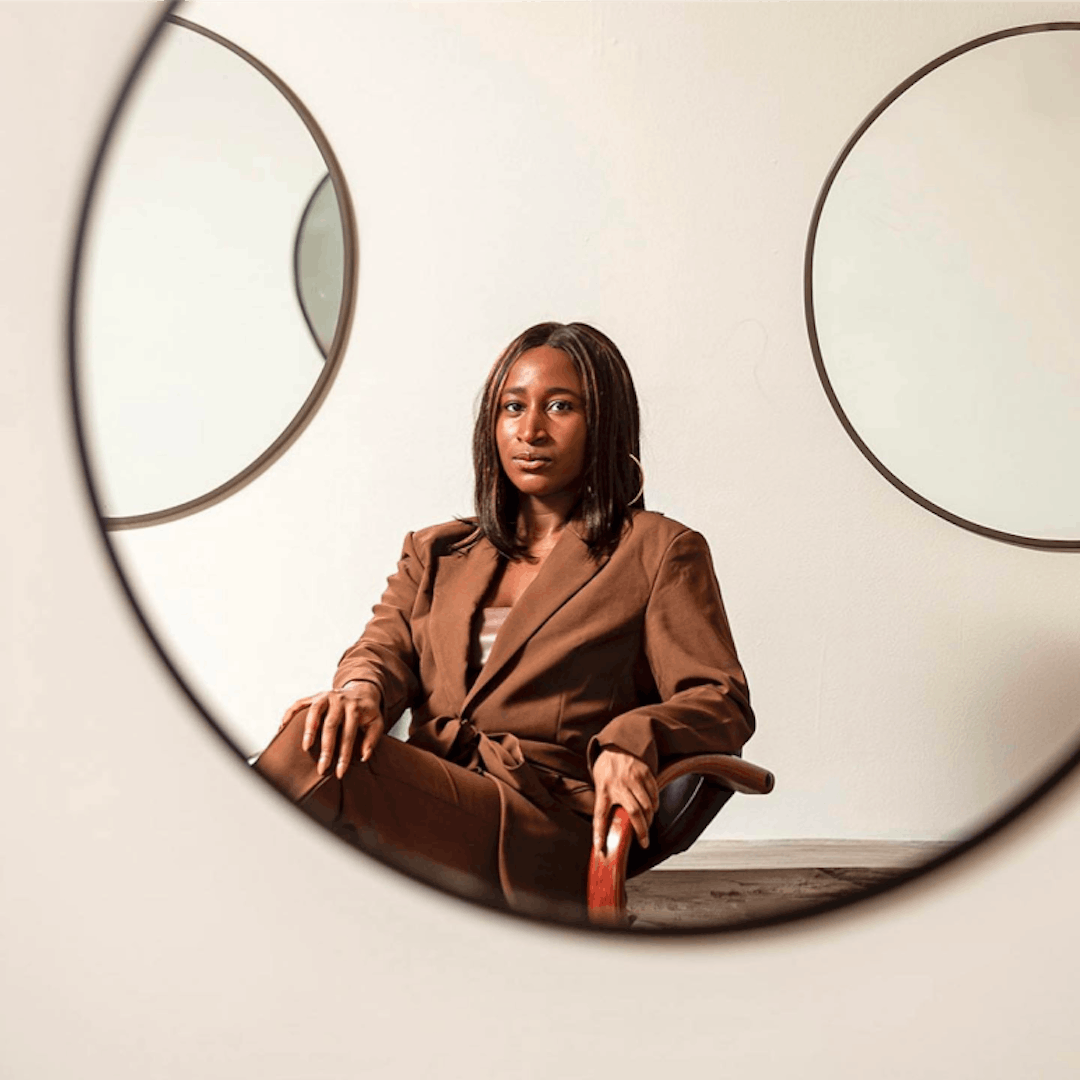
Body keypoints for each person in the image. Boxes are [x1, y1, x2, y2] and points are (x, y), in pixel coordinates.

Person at [254, 321, 754, 921]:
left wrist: (633, 740)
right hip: (432, 798)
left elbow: (720, 699)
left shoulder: (657, 551)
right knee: (321, 725)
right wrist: (358, 692)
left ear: (605, 423)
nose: (530, 430)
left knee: (309, 764)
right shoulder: (436, 552)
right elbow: (381, 652)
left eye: (560, 407)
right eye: (512, 407)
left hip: (544, 823)